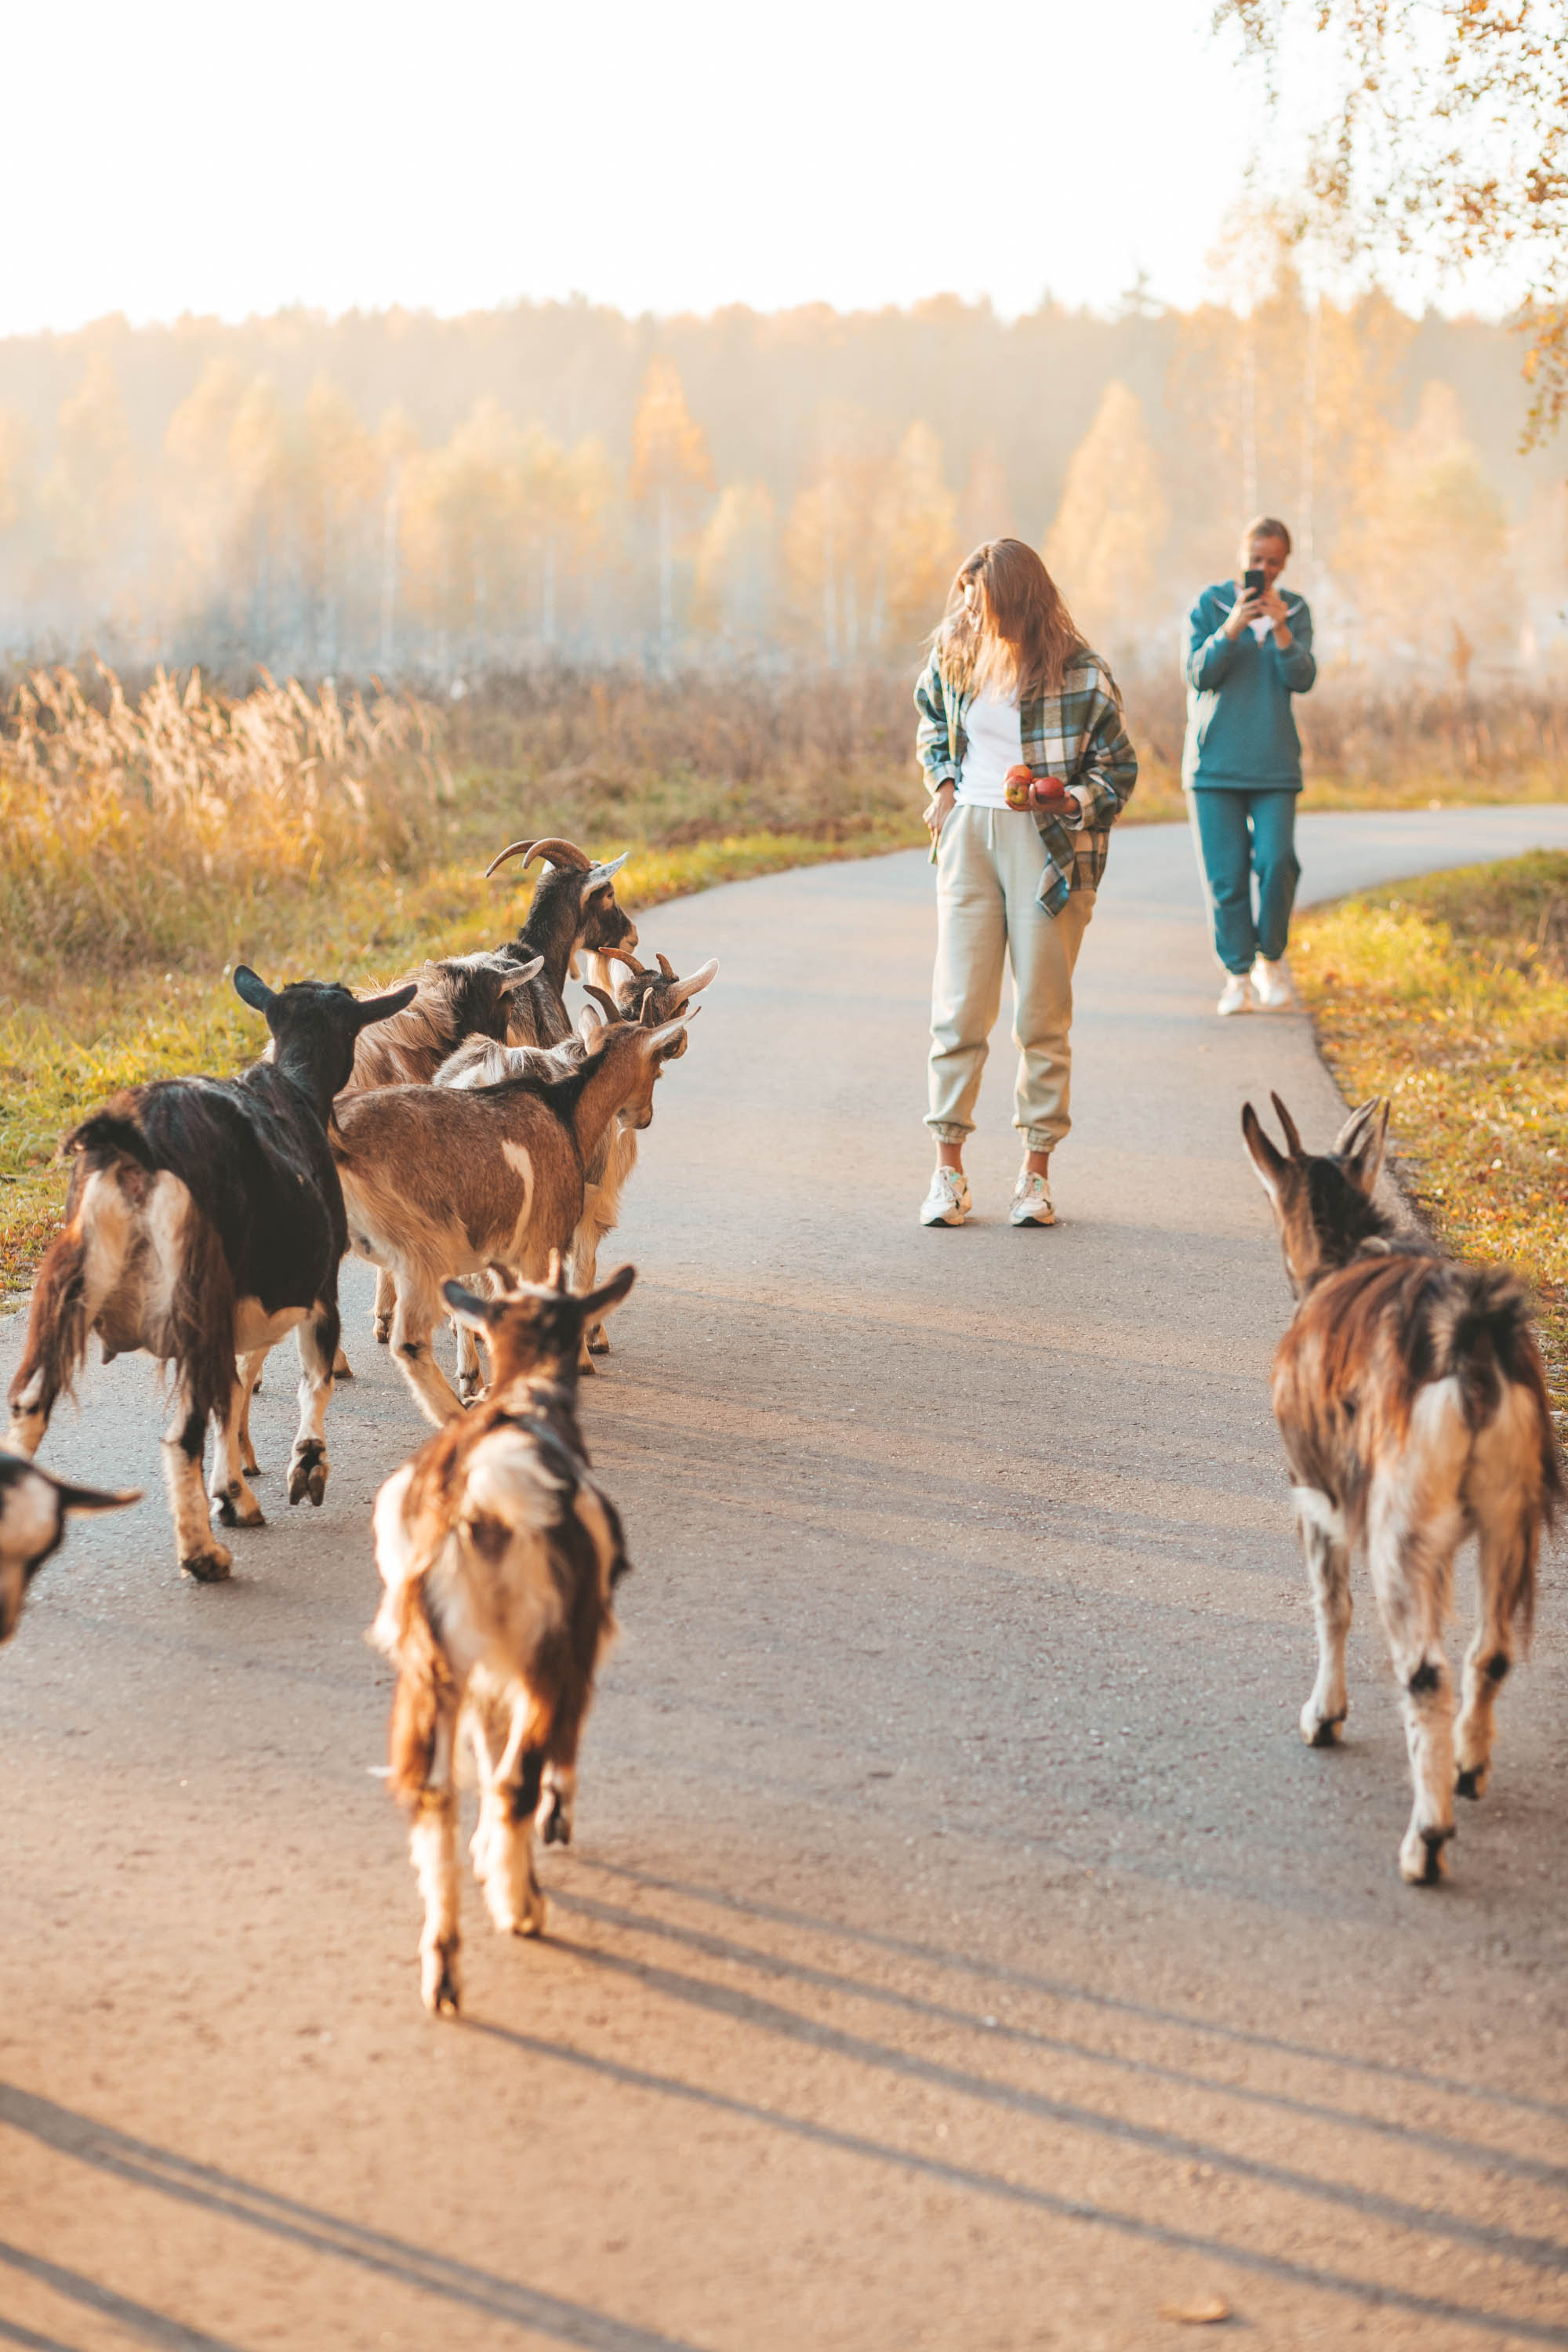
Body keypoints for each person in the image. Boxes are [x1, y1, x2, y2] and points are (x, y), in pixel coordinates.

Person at [914, 539, 1138, 1229]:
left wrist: (1067, 800)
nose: (972, 616)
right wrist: (944, 786)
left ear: (1021, 603)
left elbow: (1118, 770)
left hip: (1050, 848)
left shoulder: (1083, 675)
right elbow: (932, 724)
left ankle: (1034, 1176)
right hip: (969, 839)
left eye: (985, 605)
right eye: (967, 603)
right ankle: (948, 1173)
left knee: (1041, 1016)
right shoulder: (955, 650)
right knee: (959, 1011)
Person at [1183, 516, 1316, 1015]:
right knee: (1226, 876)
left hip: (1275, 763)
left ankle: (1271, 959)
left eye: (1274, 562)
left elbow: (1302, 678)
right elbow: (1198, 674)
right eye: (1257, 559)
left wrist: (1280, 628)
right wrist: (1232, 627)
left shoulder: (1295, 610)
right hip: (1213, 766)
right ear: (1242, 556)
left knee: (1278, 862)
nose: (1265, 568)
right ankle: (1237, 976)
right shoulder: (1209, 604)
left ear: (1285, 563)